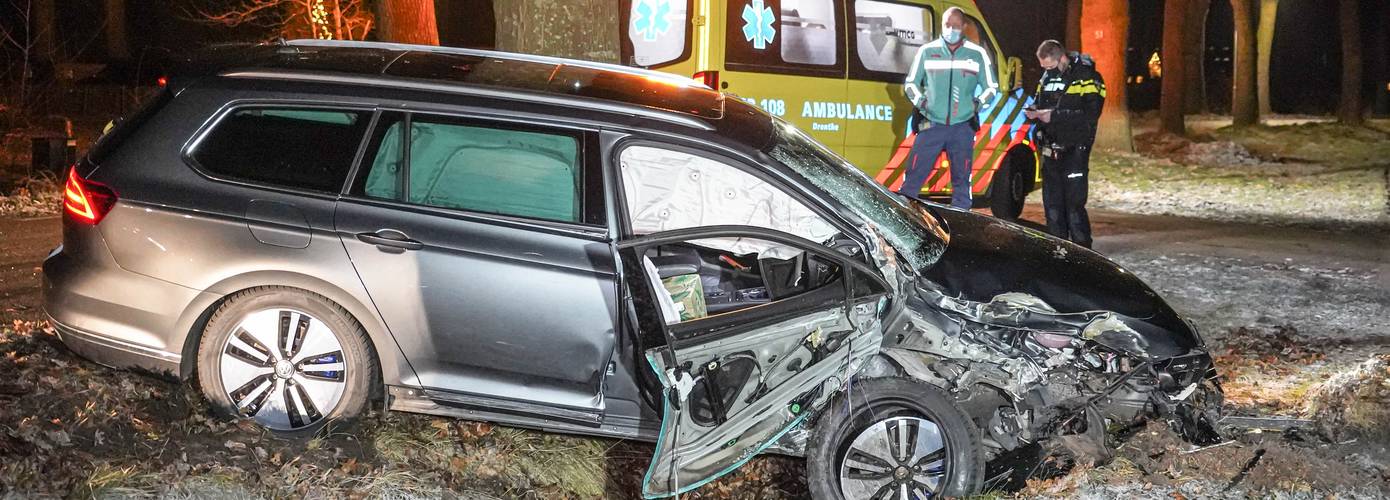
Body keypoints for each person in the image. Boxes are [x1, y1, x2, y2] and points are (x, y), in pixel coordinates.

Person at [899, 6, 997, 209]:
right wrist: (922, 103)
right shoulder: (927, 51)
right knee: (914, 176)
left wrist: (977, 104)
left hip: (962, 127)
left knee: (962, 179)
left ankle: (962, 220)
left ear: (964, 26)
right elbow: (910, 84)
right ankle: (904, 214)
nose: (950, 29)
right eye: (947, 25)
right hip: (931, 124)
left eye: (955, 25)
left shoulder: (977, 54)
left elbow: (991, 88)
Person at [1025, 40, 1104, 248]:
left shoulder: (1087, 77)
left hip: (1075, 148)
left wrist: (1055, 116)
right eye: (1044, 68)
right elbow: (1040, 100)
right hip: (1051, 149)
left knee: (1074, 205)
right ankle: (1056, 249)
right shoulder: (1047, 76)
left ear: (1061, 57)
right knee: (1052, 204)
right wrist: (1034, 110)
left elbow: (1091, 114)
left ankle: (1082, 251)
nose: (1047, 71)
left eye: (1049, 66)